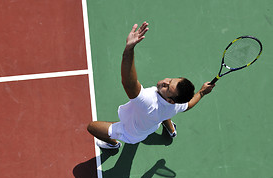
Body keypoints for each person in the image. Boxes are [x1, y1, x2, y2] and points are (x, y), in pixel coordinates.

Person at [87, 21, 215, 149]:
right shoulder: (177, 104)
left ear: (171, 100)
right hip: (152, 125)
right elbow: (189, 105)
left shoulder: (148, 101)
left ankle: (113, 143)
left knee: (92, 127)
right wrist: (202, 92)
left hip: (131, 132)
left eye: (167, 87)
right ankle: (171, 129)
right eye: (170, 80)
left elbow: (129, 83)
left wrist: (129, 49)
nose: (164, 82)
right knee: (166, 113)